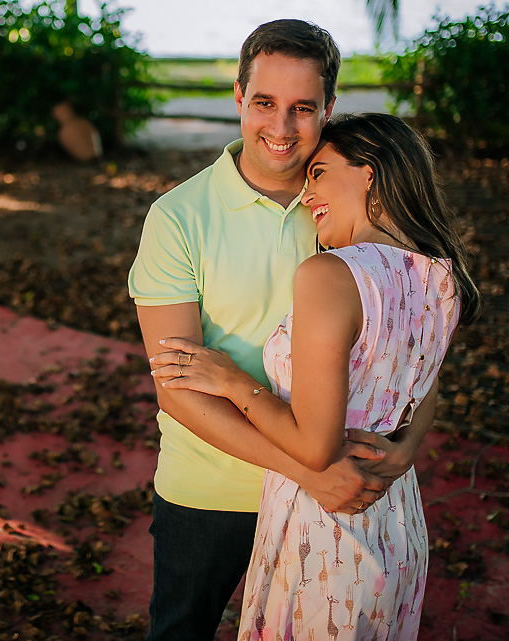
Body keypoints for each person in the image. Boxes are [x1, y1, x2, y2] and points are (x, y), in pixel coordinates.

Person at [128, 20, 437, 641]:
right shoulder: (177, 217)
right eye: (264, 103)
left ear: (328, 109)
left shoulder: (348, 203)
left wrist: (407, 447)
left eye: (303, 108)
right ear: (238, 98)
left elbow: (417, 337)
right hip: (212, 488)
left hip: (330, 501)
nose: (281, 127)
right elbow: (177, 388)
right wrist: (307, 468)